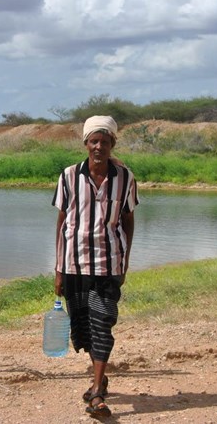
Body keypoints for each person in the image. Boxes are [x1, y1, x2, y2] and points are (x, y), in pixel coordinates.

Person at [51, 115, 139, 418]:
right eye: (94, 141)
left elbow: (128, 220)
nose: (99, 146)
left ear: (112, 144)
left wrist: (124, 262)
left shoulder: (125, 178)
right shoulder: (68, 176)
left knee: (104, 323)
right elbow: (62, 222)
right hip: (73, 265)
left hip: (108, 264)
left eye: (104, 141)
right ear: (86, 144)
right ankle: (99, 378)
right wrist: (58, 269)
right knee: (84, 328)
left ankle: (98, 392)